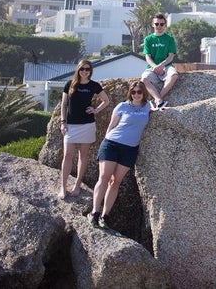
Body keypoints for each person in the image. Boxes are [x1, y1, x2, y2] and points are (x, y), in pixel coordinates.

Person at [89, 80, 162, 229]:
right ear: (130, 93)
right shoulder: (122, 106)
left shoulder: (147, 106)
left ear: (143, 93)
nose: (136, 94)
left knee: (115, 182)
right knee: (104, 178)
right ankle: (95, 213)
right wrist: (105, 144)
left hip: (130, 149)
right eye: (133, 92)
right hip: (112, 144)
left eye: (139, 92)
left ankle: (105, 216)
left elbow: (156, 107)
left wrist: (158, 109)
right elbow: (111, 127)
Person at [58, 59, 110, 199]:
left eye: (87, 69)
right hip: (71, 125)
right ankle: (63, 187)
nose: (85, 71)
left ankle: (77, 185)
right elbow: (64, 105)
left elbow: (106, 100)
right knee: (68, 155)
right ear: (78, 70)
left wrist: (96, 110)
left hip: (87, 125)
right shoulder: (69, 84)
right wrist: (63, 122)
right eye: (82, 69)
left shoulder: (94, 85)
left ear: (90, 71)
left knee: (83, 156)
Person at [141, 13, 178, 108]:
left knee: (174, 75)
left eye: (162, 24)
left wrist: (162, 65)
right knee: (144, 79)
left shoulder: (169, 39)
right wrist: (155, 67)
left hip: (167, 66)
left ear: (165, 25)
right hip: (152, 67)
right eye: (157, 24)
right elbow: (147, 57)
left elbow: (171, 56)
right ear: (153, 24)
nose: (159, 26)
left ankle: (158, 99)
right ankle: (158, 100)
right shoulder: (148, 39)